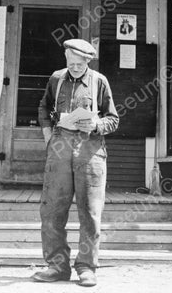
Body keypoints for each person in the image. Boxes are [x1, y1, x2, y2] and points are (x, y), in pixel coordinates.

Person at [32, 38, 119, 287]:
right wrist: (48, 137)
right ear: (66, 60)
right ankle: (57, 266)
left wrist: (96, 124)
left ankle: (86, 267)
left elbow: (113, 119)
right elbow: (44, 108)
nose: (75, 68)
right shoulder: (56, 79)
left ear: (88, 62)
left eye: (79, 65)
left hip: (90, 151)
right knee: (52, 210)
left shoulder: (99, 81)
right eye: (71, 64)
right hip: (59, 149)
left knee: (90, 213)